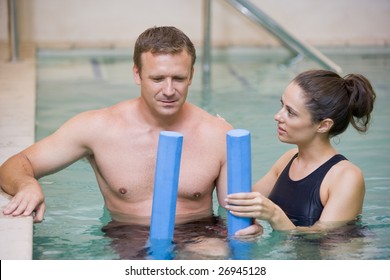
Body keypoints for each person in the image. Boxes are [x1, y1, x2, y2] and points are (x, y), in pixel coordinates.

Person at [0, 26, 234, 229]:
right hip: (127, 235)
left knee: (213, 254)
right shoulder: (98, 128)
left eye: (179, 78)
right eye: (157, 79)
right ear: (137, 74)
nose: (169, 90)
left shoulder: (217, 134)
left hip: (199, 234)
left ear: (191, 75)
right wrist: (27, 185)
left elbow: (236, 216)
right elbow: (16, 165)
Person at [225, 69, 376, 232]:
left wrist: (274, 215)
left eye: (290, 112)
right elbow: (241, 202)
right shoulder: (288, 159)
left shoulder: (346, 177)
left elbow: (325, 237)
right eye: (282, 105)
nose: (278, 116)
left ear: (323, 125)